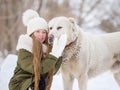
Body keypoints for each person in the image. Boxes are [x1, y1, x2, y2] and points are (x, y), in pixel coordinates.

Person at [9, 9, 67, 90]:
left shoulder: (45, 49)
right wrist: (54, 55)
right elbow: (38, 69)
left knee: (41, 81)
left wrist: (58, 54)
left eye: (44, 32)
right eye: (38, 31)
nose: (41, 35)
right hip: (19, 84)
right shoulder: (25, 49)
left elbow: (52, 71)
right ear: (31, 33)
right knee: (40, 82)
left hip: (36, 83)